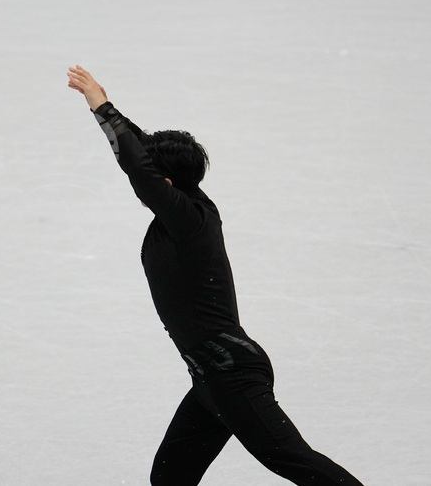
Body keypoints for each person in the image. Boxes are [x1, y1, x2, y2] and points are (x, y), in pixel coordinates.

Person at [66, 66, 364, 486]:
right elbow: (139, 150)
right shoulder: (189, 203)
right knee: (170, 477)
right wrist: (109, 108)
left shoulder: (187, 220)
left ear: (165, 184)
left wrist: (99, 106)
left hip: (231, 374)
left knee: (293, 460)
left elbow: (137, 164)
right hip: (209, 376)